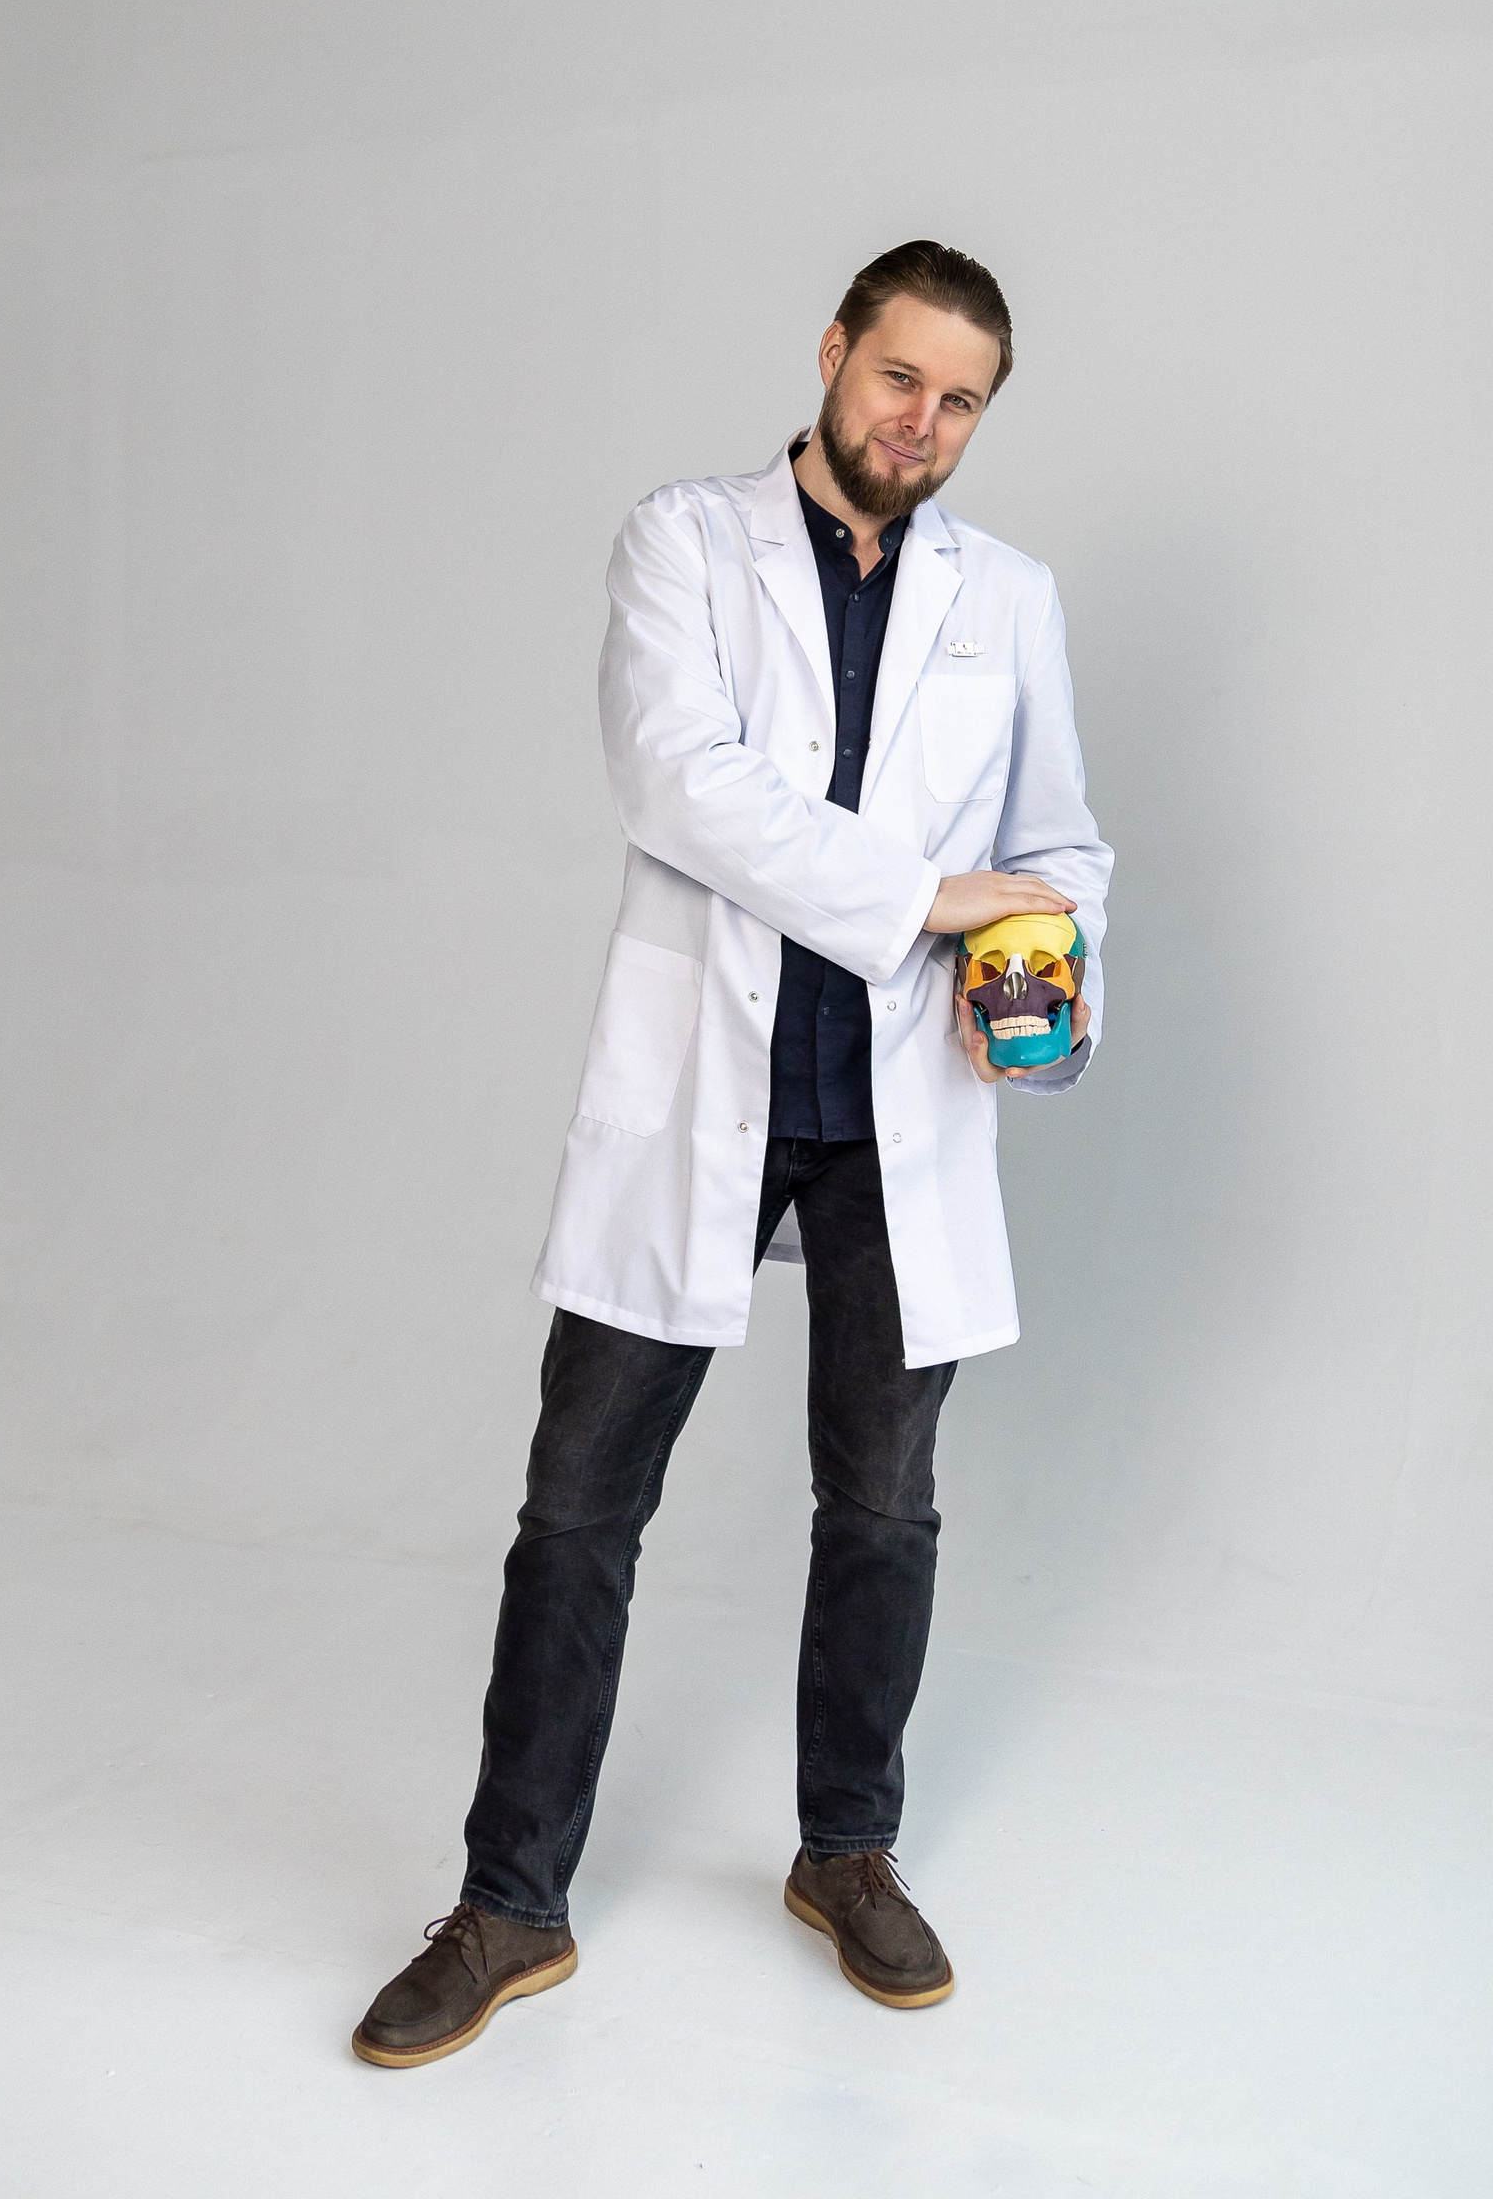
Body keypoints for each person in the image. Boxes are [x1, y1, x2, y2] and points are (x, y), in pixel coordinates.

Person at [352, 242, 1112, 2067]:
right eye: (899, 377)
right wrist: (932, 898)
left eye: (960, 402)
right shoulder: (685, 543)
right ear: (834, 350)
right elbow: (680, 783)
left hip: (900, 1118)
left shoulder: (1009, 598)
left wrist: (1049, 974)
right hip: (705, 1092)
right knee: (580, 1507)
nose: (921, 423)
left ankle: (847, 1852)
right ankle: (509, 1904)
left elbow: (1059, 846)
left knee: (885, 1506)